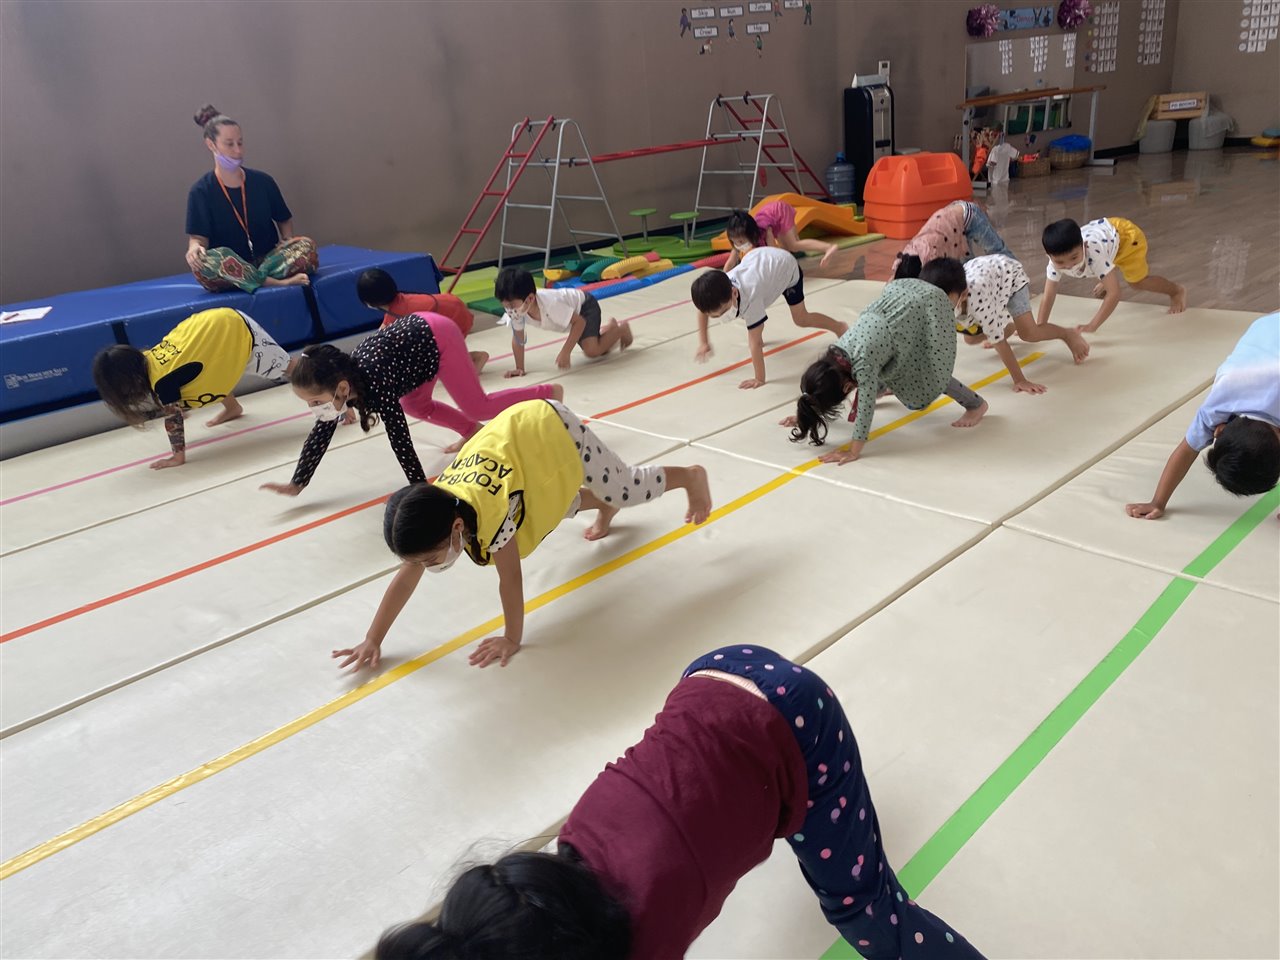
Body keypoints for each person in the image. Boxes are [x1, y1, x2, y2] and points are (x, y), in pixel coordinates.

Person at [374, 646, 985, 960]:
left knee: (863, 910)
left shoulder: (645, 935)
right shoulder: (569, 850)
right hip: (713, 673)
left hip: (797, 720)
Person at [333, 399, 713, 671]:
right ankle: (604, 504)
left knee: (625, 488)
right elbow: (405, 578)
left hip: (550, 428)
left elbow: (510, 579)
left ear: (457, 528)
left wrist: (511, 638)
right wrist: (373, 638)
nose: (428, 567)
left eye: (430, 560)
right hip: (519, 447)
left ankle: (690, 477)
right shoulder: (441, 508)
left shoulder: (491, 515)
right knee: (547, 503)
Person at [259, 316, 561, 496]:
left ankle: (548, 392)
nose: (315, 410)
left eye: (315, 402)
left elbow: (399, 437)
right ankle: (471, 431)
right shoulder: (345, 383)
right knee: (417, 405)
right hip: (412, 356)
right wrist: (298, 482)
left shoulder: (374, 380)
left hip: (437, 337)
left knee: (477, 405)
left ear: (341, 388)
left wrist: (419, 487)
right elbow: (321, 433)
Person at [786, 259, 988, 465]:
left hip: (925, 311)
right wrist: (807, 413)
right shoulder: (838, 352)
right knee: (888, 367)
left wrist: (853, 451)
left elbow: (865, 410)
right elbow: (828, 381)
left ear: (846, 387)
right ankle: (884, 387)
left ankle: (976, 404)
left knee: (929, 374)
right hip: (903, 300)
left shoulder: (862, 365)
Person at [92, 307, 293, 469]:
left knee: (290, 369)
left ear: (131, 380)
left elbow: (174, 420)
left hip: (237, 328)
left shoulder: (163, 381)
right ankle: (233, 408)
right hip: (213, 326)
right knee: (204, 374)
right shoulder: (147, 360)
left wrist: (177, 457)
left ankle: (313, 374)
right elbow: (205, 372)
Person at [1127, 312, 1280, 519]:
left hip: (1266, 330)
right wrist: (1157, 502)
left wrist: (1158, 502)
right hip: (1265, 331)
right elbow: (1186, 451)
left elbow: (1186, 449)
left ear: (1220, 430)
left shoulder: (1219, 407)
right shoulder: (1217, 406)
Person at [185, 105, 318, 293]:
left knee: (306, 245)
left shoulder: (263, 181)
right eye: (229, 144)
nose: (238, 150)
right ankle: (274, 282)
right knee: (207, 262)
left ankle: (255, 279)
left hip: (268, 261)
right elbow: (198, 239)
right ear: (211, 144)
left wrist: (287, 240)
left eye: (240, 143)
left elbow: (284, 219)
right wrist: (194, 249)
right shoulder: (201, 191)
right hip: (230, 267)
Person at [690, 241, 847, 390]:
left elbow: (755, 342)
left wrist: (759, 378)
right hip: (760, 259)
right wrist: (704, 342)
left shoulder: (751, 297)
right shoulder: (718, 291)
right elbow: (703, 312)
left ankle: (839, 326)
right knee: (750, 317)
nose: (722, 316)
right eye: (715, 316)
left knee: (801, 319)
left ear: (734, 292)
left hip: (785, 267)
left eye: (724, 311)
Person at [957, 254, 1089, 394]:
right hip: (985, 277)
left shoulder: (978, 302)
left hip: (1010, 276)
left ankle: (1067, 334)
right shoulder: (947, 304)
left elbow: (999, 343)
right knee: (971, 339)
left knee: (1029, 334)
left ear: (963, 295)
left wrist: (1019, 380)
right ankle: (1008, 327)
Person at [1037, 217, 1186, 333]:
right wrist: (1040, 326)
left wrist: (1092, 325)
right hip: (1106, 239)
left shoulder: (1094, 255)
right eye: (1060, 262)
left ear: (1084, 246)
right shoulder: (1054, 263)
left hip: (1127, 239)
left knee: (1137, 283)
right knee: (1098, 269)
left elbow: (1114, 294)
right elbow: (1048, 295)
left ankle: (1176, 291)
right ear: (1048, 256)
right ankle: (1107, 275)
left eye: (1074, 258)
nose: (1069, 265)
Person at [494, 267, 633, 377]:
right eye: (505, 305)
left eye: (511, 305)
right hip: (572, 316)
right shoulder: (517, 310)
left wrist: (566, 352)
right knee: (601, 349)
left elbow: (579, 322)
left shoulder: (551, 305)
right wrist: (519, 368)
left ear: (530, 298)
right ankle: (611, 328)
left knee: (592, 350)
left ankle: (622, 329)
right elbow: (518, 338)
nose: (509, 310)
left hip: (584, 307)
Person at [358, 267, 488, 375]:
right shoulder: (397, 304)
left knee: (432, 357)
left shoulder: (399, 312)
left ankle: (476, 357)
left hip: (456, 318)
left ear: (369, 302)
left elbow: (382, 339)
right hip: (453, 307)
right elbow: (381, 334)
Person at [891, 200, 1013, 279]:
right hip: (949, 223)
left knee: (997, 250)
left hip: (968, 215)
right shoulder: (903, 261)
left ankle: (1017, 280)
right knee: (966, 267)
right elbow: (893, 281)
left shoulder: (931, 258)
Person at [726, 202, 839, 268]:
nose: (739, 245)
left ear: (751, 235)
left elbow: (774, 253)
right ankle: (791, 271)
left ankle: (829, 247)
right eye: (735, 242)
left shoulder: (765, 231)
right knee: (787, 248)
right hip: (771, 216)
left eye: (741, 242)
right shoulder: (739, 240)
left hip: (779, 211)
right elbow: (730, 263)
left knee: (793, 245)